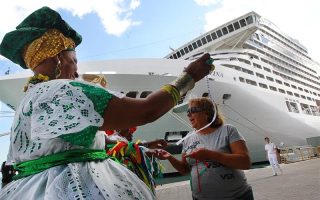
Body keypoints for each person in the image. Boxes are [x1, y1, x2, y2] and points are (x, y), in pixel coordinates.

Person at [0, 6, 213, 200]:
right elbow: (147, 110)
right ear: (58, 58)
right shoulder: (66, 89)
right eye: (74, 61)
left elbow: (92, 141)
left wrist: (141, 146)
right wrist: (189, 77)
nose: (76, 71)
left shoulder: (27, 102)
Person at [153, 97, 254, 200]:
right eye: (188, 111)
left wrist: (210, 155)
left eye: (193, 111)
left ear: (207, 113)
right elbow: (185, 169)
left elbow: (245, 162)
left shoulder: (228, 130)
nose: (188, 114)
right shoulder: (188, 137)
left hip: (237, 197)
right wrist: (169, 157)